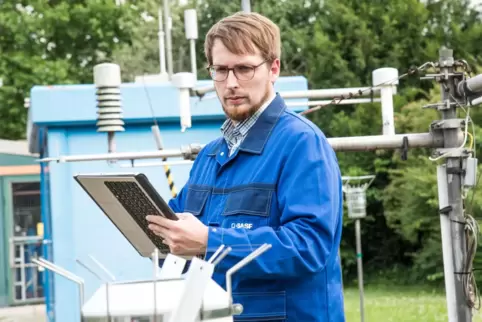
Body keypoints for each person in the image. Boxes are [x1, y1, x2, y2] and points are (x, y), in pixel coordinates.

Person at [146, 11, 345, 322]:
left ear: (274, 68)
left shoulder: (301, 144)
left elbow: (309, 247)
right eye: (221, 70)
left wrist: (210, 242)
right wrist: (148, 224)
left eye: (244, 68)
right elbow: (179, 234)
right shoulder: (210, 157)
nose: (231, 83)